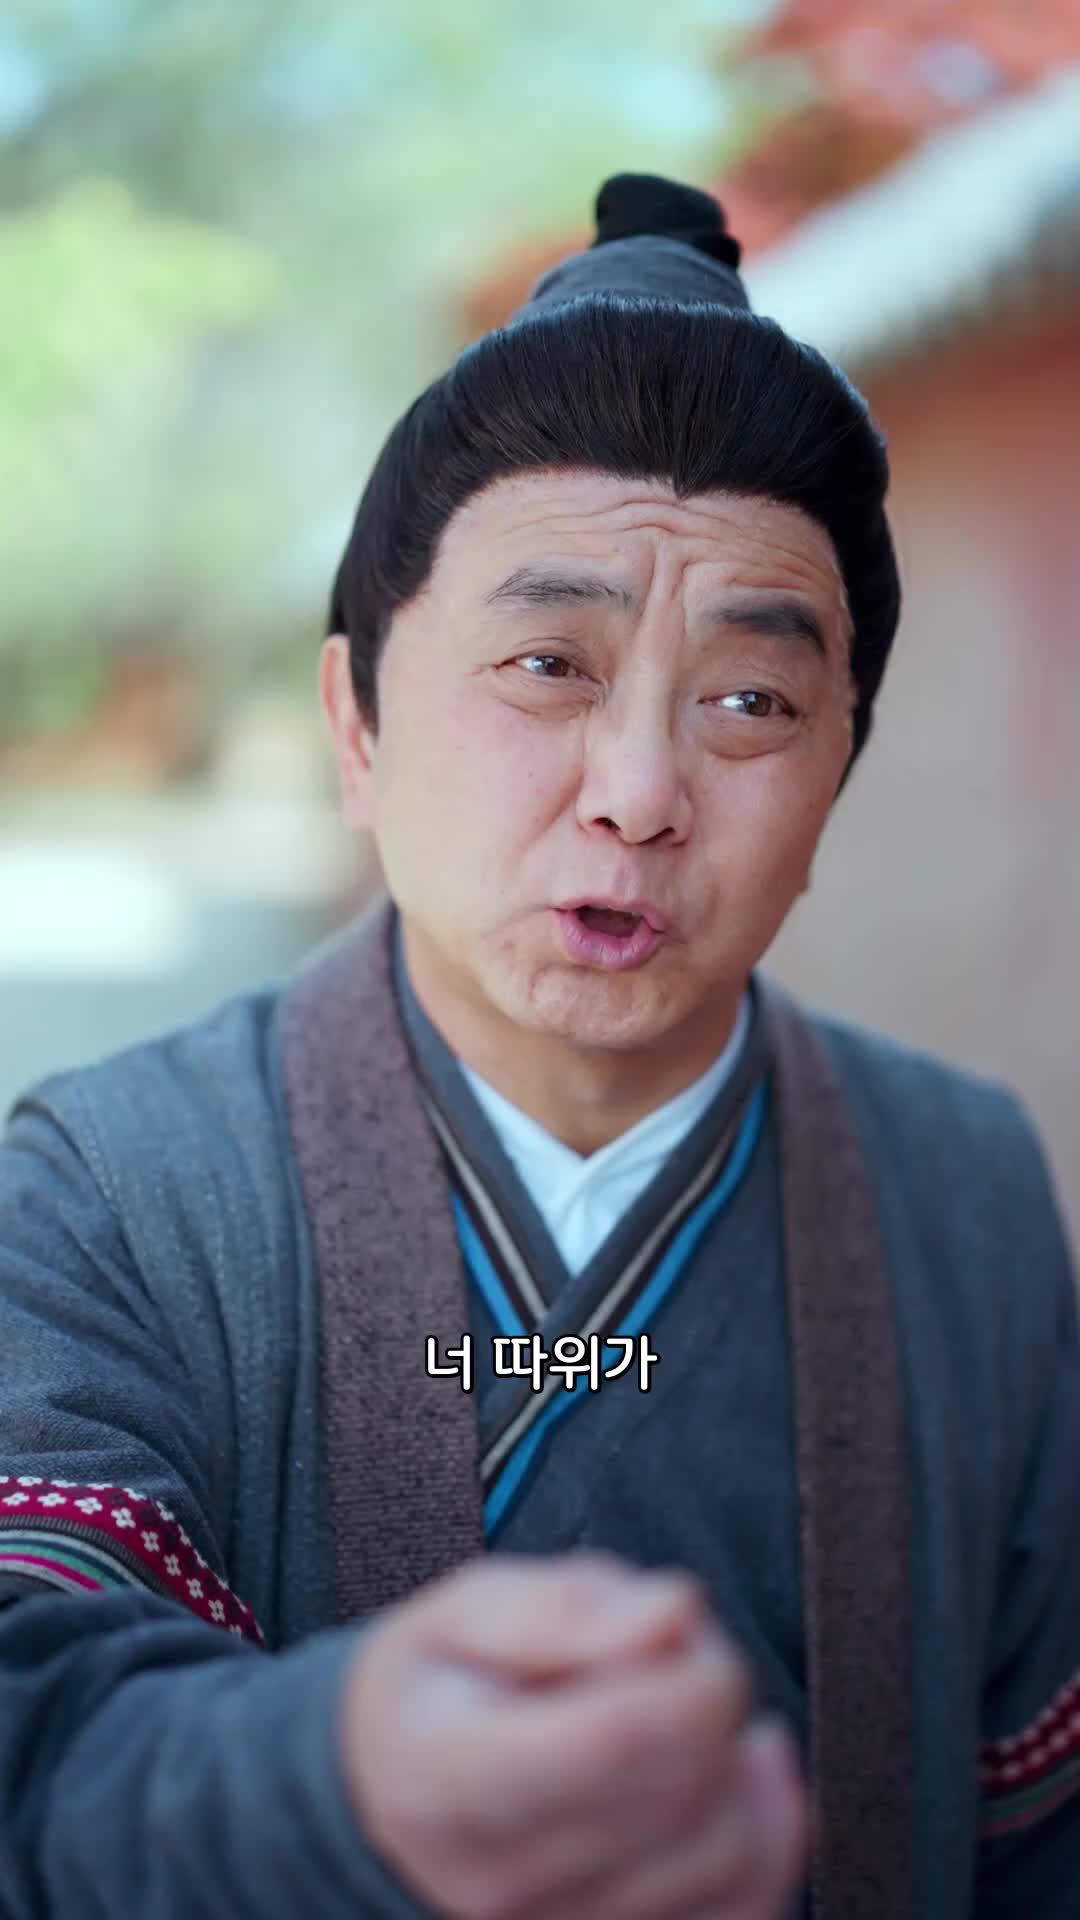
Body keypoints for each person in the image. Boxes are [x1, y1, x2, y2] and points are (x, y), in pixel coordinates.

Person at [1, 172, 1077, 1920]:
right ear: (357, 725)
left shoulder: (966, 1191)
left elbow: (1041, 1816)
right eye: (547, 665)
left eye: (752, 699)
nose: (640, 793)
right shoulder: (114, 1188)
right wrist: (332, 1778)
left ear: (838, 774)